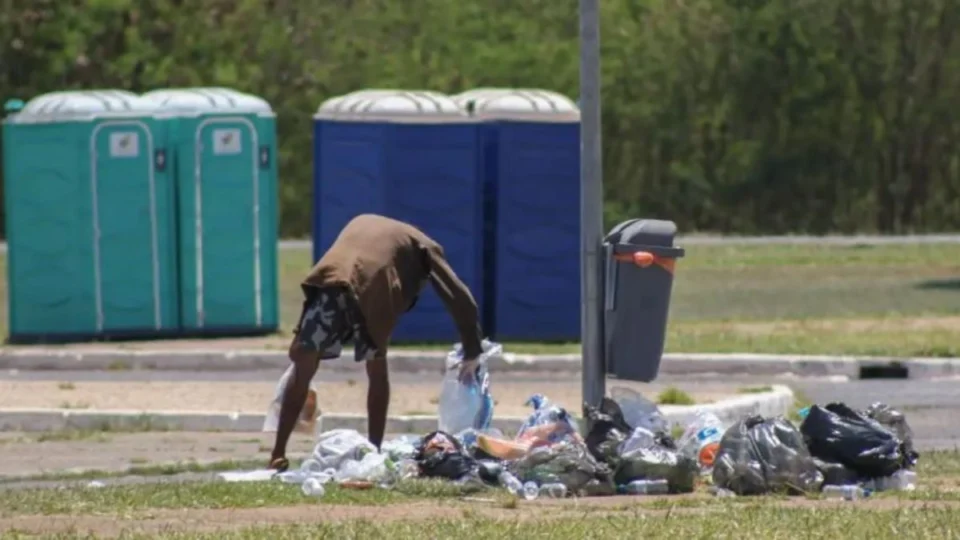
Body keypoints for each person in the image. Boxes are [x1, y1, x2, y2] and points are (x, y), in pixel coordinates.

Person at [268, 214, 484, 472]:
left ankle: (277, 454)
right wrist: (472, 348)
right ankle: (374, 451)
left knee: (304, 364)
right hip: (374, 287)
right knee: (377, 370)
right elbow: (459, 296)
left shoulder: (364, 220)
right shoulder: (423, 244)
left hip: (330, 280)